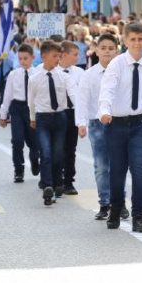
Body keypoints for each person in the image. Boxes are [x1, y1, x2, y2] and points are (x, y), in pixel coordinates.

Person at [98, 22, 142, 233]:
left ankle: (139, 216)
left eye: (141, 39)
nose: (137, 43)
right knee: (117, 170)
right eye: (132, 39)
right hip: (116, 123)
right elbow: (107, 89)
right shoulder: (116, 64)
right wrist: (104, 110)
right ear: (125, 41)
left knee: (139, 168)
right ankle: (116, 207)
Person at [75, 34, 127, 222]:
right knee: (101, 166)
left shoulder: (124, 73)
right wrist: (81, 123)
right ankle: (105, 202)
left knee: (118, 165)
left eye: (111, 48)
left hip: (120, 123)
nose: (107, 52)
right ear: (96, 51)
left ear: (117, 51)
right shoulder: (89, 75)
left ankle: (119, 203)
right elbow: (82, 100)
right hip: (98, 124)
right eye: (103, 48)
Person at [27, 41, 78, 207]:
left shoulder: (63, 76)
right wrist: (32, 118)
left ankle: (58, 183)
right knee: (46, 152)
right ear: (44, 56)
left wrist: (81, 114)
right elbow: (31, 101)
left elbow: (74, 95)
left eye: (59, 56)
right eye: (55, 56)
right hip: (42, 119)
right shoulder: (34, 78)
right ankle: (47, 185)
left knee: (58, 153)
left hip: (60, 118)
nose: (58, 59)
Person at [0, 45, 39, 183]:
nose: (23, 61)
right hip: (17, 108)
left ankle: (34, 159)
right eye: (20, 58)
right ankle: (18, 170)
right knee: (17, 140)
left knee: (34, 142)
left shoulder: (38, 74)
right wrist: (3, 116)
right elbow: (7, 96)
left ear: (33, 58)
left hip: (32, 109)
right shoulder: (13, 74)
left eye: (25, 58)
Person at [59, 41, 83, 196]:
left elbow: (83, 95)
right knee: (56, 148)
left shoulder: (80, 73)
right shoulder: (52, 71)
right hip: (56, 113)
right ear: (64, 54)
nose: (77, 57)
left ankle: (68, 181)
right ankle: (53, 178)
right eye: (75, 54)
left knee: (70, 149)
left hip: (72, 113)